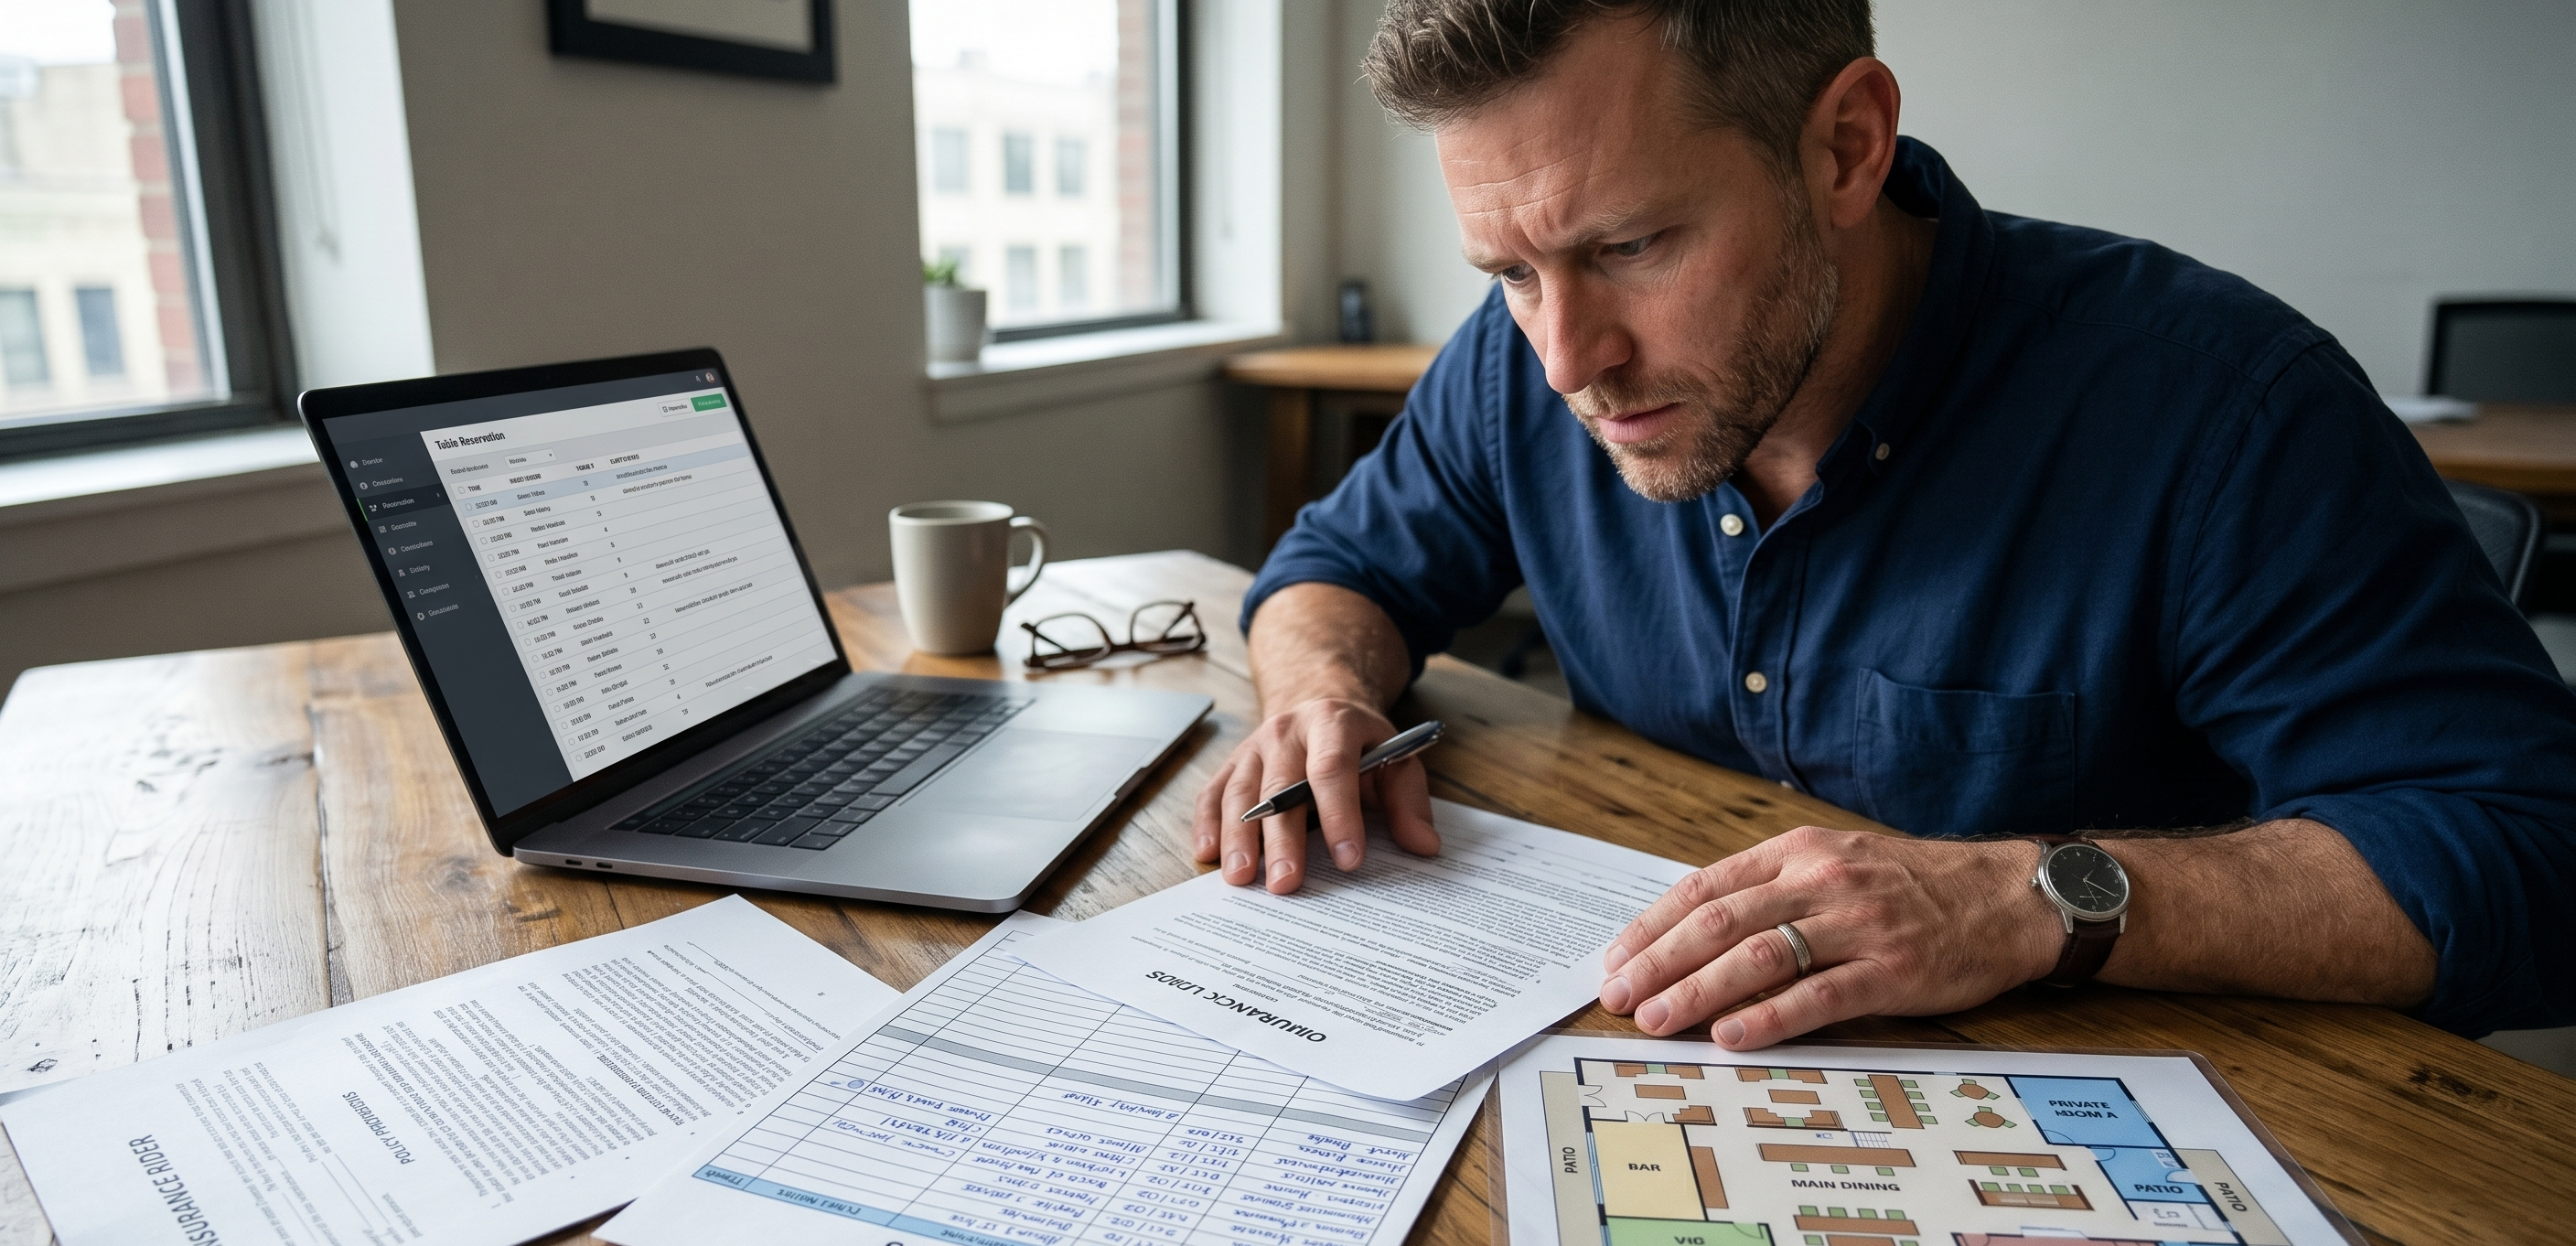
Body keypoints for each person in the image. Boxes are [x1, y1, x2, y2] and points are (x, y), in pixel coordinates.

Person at [1187, 0, 2576, 1047]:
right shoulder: (1516, 371)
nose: (1567, 358)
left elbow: (2530, 849)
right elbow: (1337, 569)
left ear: (1847, 146)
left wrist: (2030, 897)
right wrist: (1320, 693)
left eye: (1630, 247)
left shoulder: (2222, 412)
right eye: (1509, 272)